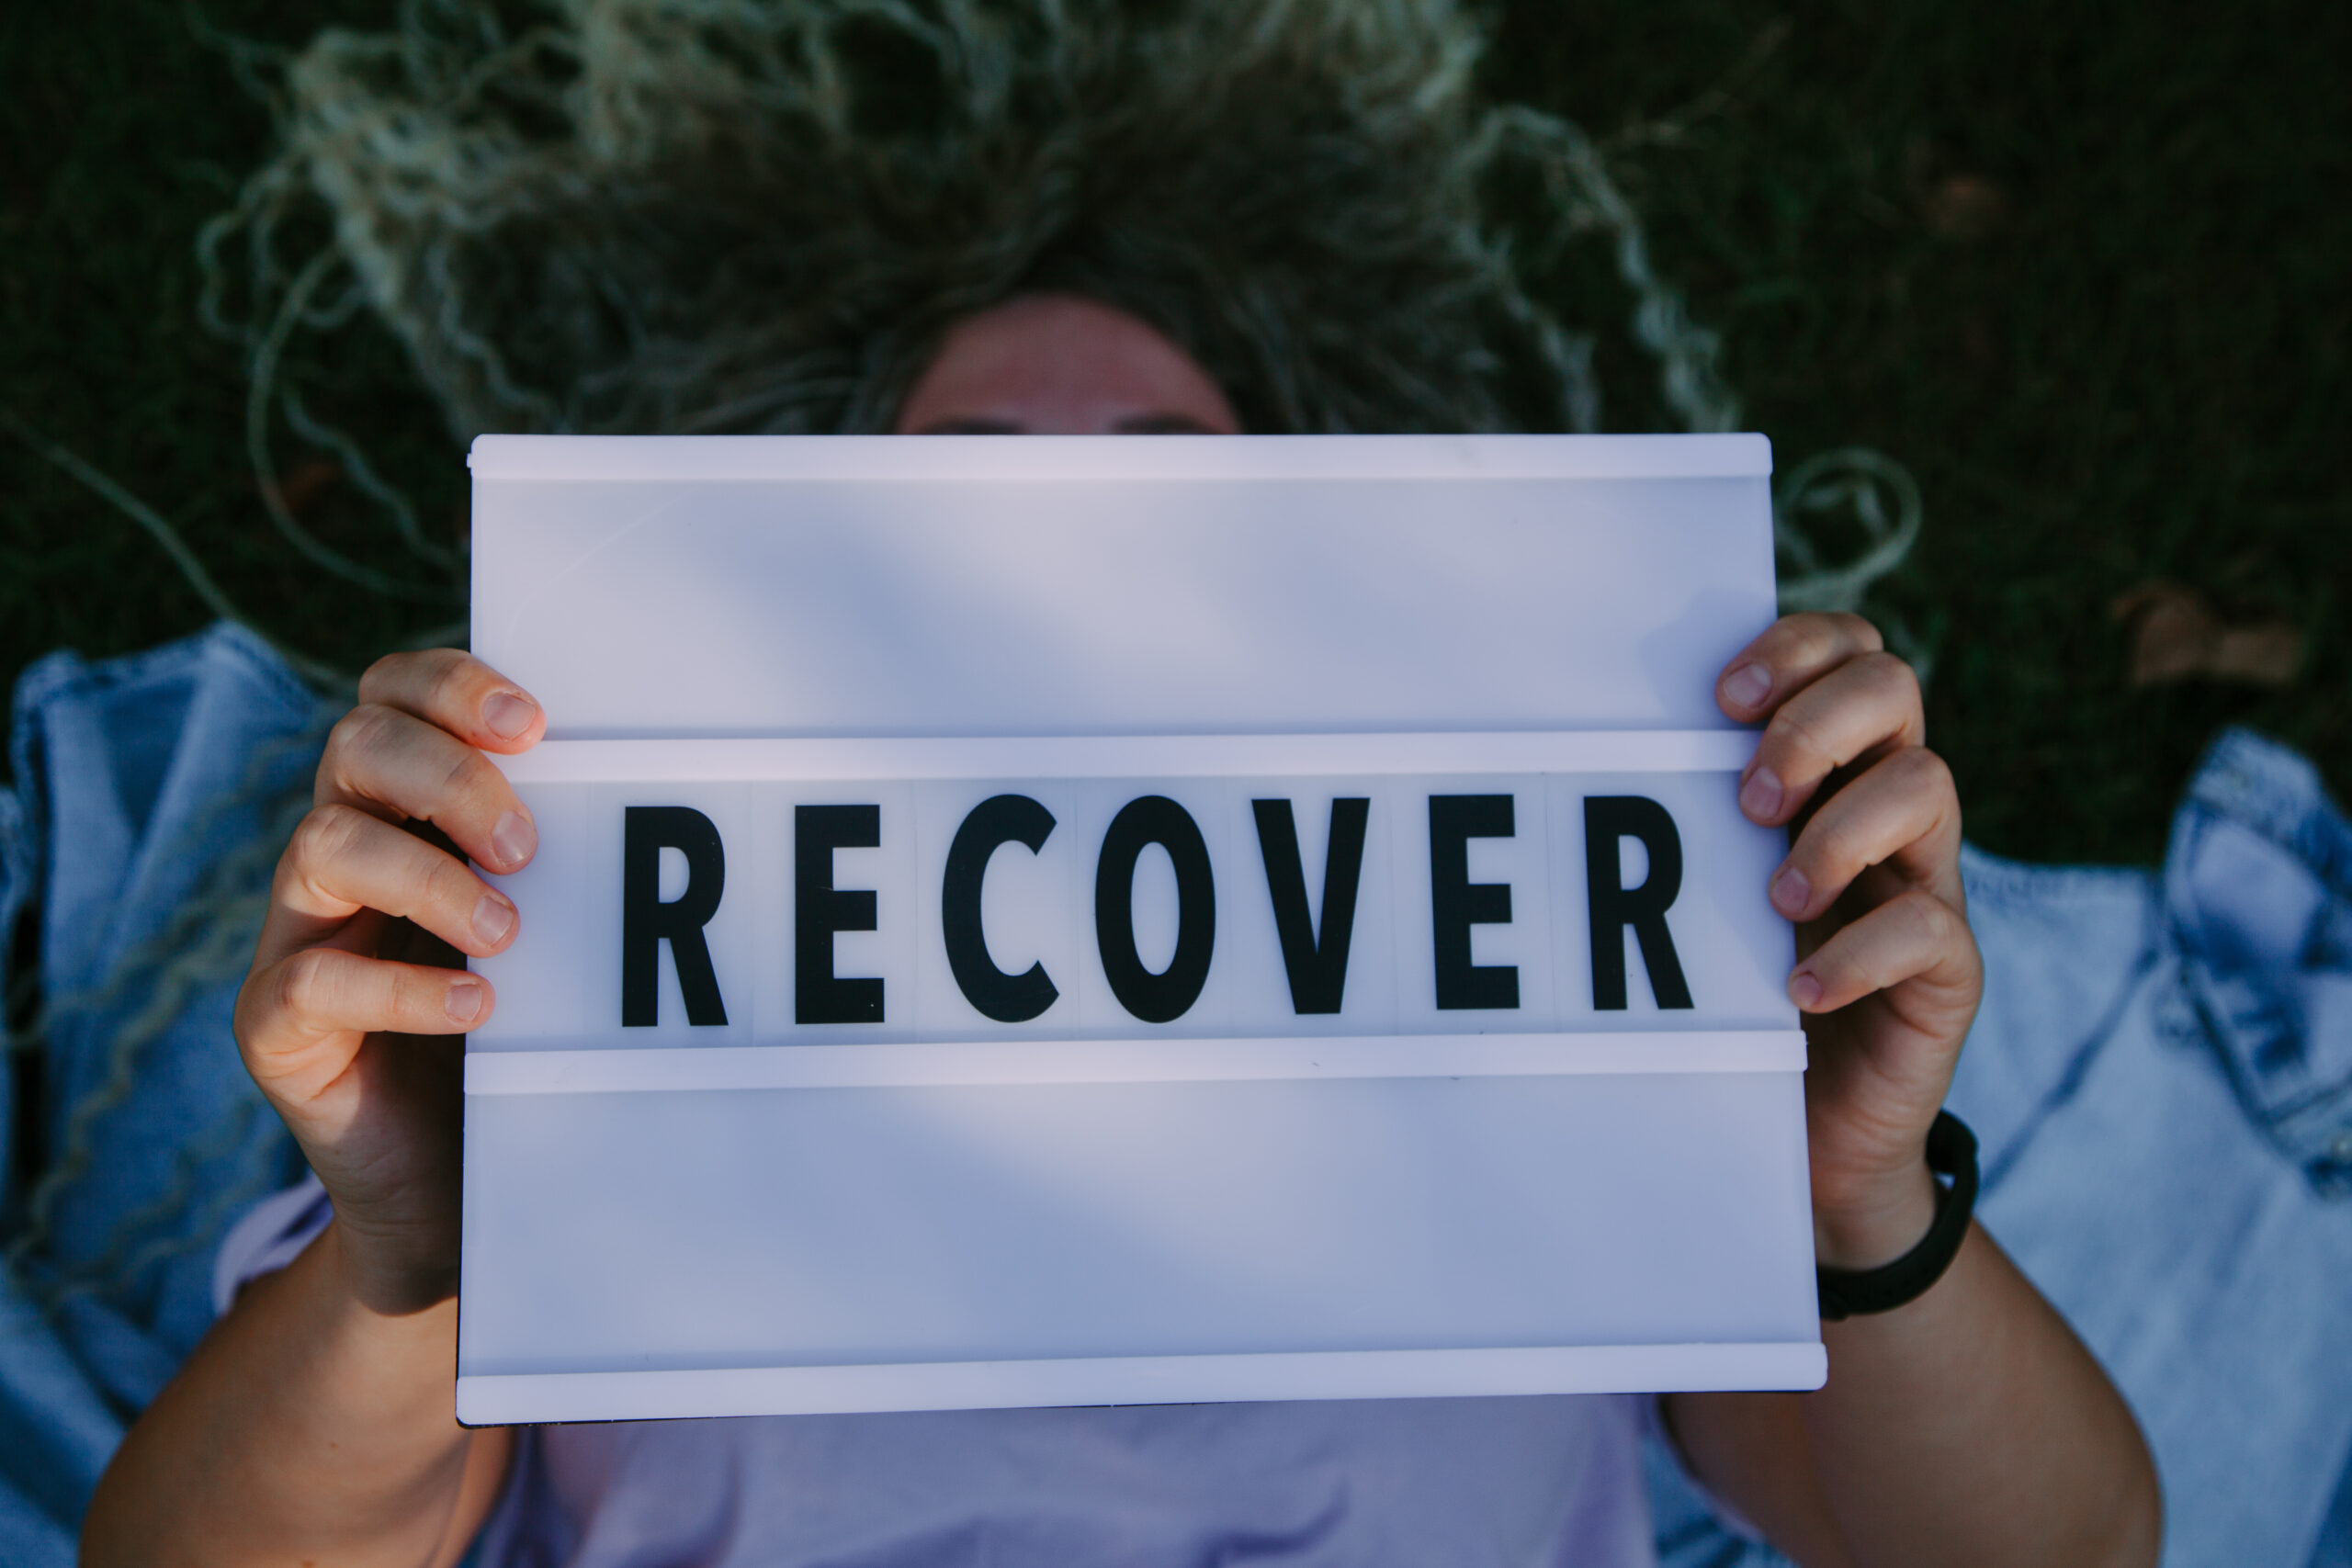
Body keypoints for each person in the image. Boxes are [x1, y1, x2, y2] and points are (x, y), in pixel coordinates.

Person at [82, 291, 2160, 1568]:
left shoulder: (1572, 1047)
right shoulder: (585, 1008)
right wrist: (426, 1244)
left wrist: (1858, 1196)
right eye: (969, 471)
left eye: (1168, 471)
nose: (1065, 524)